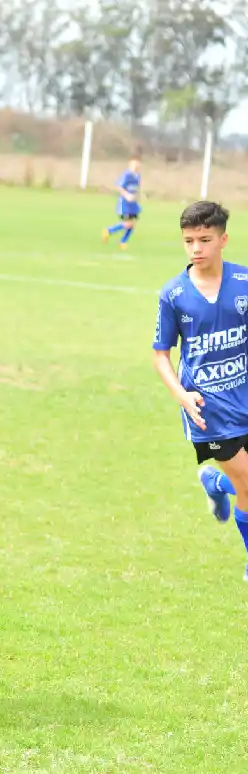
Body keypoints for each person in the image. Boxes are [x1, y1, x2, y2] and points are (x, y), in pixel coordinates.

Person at [154, 201, 248, 582]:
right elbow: (161, 354)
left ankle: (216, 483)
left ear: (223, 239)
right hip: (207, 410)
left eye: (205, 239)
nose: (196, 248)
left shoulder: (244, 283)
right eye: (189, 240)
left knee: (243, 484)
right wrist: (180, 395)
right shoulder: (173, 294)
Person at [103, 155, 142, 249]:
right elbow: (119, 186)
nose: (136, 166)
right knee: (127, 224)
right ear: (130, 164)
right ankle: (109, 230)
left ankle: (122, 242)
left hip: (133, 204)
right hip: (125, 204)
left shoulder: (138, 176)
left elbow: (136, 188)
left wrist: (137, 196)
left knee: (133, 224)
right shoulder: (126, 175)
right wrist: (127, 195)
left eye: (138, 164)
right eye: (134, 164)